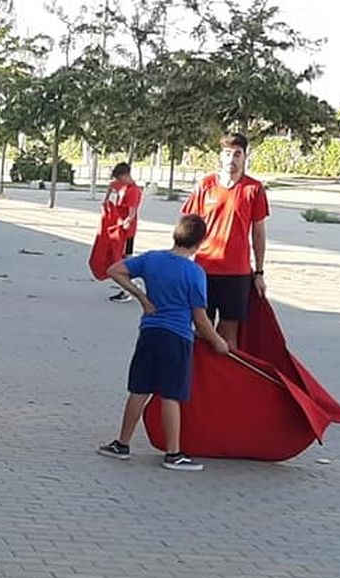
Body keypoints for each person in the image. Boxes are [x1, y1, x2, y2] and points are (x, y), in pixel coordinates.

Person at [96, 214, 230, 471]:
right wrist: (218, 342)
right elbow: (200, 319)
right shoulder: (195, 273)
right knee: (171, 394)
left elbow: (114, 270)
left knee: (139, 389)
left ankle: (121, 444)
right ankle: (173, 454)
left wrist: (142, 298)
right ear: (200, 242)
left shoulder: (152, 259)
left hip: (150, 333)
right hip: (177, 337)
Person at [182, 133, 269, 347]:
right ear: (221, 156)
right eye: (228, 154)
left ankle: (229, 379)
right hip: (204, 270)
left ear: (245, 157)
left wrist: (259, 272)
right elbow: (189, 224)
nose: (232, 159)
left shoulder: (253, 189)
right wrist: (181, 260)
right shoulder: (205, 185)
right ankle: (198, 379)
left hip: (236, 273)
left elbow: (258, 233)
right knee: (201, 331)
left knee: (229, 337)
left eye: (237, 154)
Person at [103, 162, 144, 302]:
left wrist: (126, 223)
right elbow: (111, 185)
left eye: (120, 178)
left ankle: (129, 288)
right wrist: (106, 199)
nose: (118, 181)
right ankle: (129, 286)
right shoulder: (122, 185)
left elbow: (132, 212)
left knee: (125, 259)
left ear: (126, 175)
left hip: (127, 230)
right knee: (120, 257)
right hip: (119, 225)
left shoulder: (133, 191)